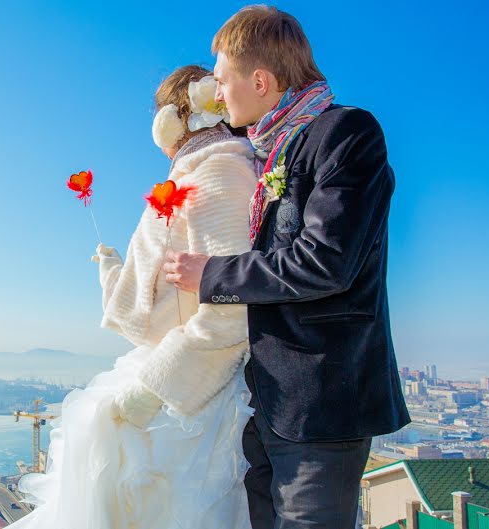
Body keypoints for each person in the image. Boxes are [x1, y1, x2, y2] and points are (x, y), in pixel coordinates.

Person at [162, 6, 411, 528]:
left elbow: (325, 263)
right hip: (266, 402)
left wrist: (211, 274)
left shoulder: (345, 133)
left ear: (260, 80)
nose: (217, 94)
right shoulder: (266, 151)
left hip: (323, 405)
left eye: (223, 81)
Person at [6, 65, 258, 529]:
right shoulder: (196, 171)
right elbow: (160, 297)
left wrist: (155, 388)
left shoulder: (221, 170)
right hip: (173, 382)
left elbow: (232, 308)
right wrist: (113, 271)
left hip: (190, 399)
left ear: (176, 117)